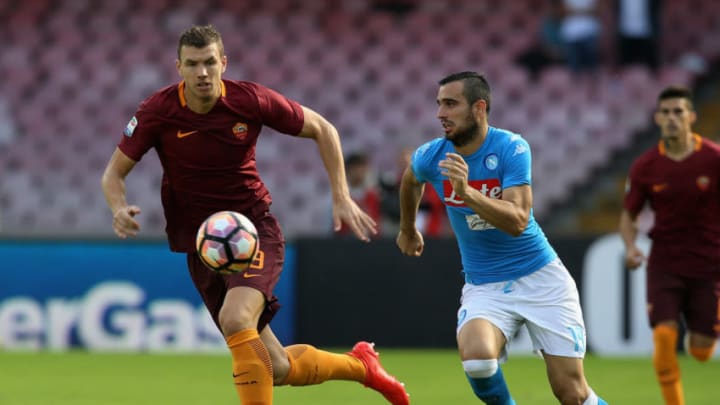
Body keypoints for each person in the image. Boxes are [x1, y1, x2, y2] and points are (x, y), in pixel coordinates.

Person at [101, 25, 409, 405]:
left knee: (235, 319)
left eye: (210, 62)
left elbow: (322, 128)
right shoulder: (157, 111)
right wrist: (118, 207)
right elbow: (113, 174)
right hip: (201, 246)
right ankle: (361, 366)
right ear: (178, 67)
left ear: (223, 63)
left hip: (252, 229)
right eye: (193, 64)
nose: (202, 72)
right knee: (274, 367)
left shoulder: (249, 101)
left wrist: (341, 194)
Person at [395, 71, 608, 405]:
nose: (440, 114)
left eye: (450, 104)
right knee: (478, 359)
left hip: (541, 278)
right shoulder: (431, 156)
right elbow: (410, 181)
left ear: (479, 107)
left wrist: (467, 193)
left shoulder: (511, 147)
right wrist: (408, 229)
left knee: (572, 394)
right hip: (485, 286)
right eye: (438, 105)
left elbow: (518, 221)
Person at [619, 86, 719, 405]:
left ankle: (702, 338)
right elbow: (628, 214)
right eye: (666, 112)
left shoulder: (714, 159)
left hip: (709, 265)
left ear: (691, 116)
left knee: (701, 352)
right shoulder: (646, 166)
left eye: (679, 111)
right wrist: (631, 246)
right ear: (657, 118)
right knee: (663, 337)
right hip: (665, 263)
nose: (672, 118)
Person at [338, 151, 382, 237]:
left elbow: (377, 223)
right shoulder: (340, 196)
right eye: (355, 169)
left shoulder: (373, 195)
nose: (359, 172)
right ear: (347, 170)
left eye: (362, 169)